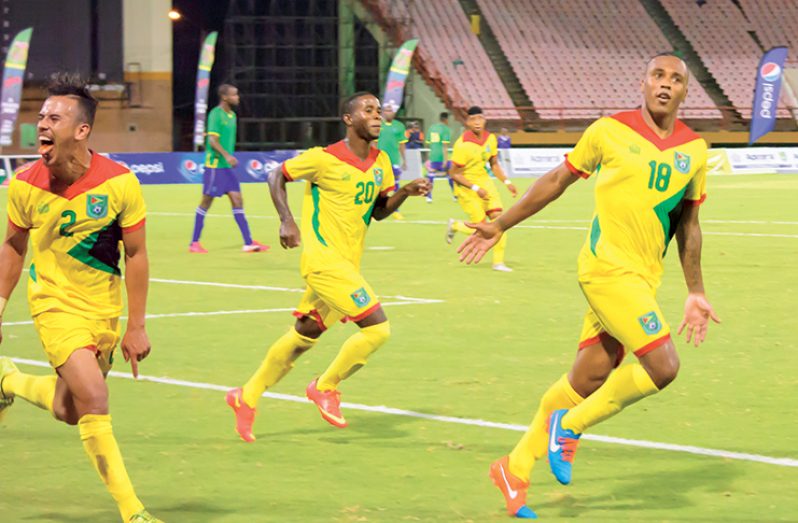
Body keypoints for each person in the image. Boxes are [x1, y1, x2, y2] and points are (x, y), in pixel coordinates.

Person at [458, 53, 720, 519]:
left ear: (685, 91)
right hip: (604, 270)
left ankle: (513, 468)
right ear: (643, 83)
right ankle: (571, 427)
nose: (665, 85)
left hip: (643, 279)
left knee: (587, 378)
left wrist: (695, 290)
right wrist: (501, 225)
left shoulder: (695, 150)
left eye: (676, 79)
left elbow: (689, 223)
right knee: (663, 365)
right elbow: (558, 179)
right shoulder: (607, 130)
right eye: (657, 75)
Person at [0, 74, 162, 523]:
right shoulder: (25, 185)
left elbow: (137, 253)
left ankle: (6, 382)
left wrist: (136, 324)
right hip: (53, 305)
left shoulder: (120, 182)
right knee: (95, 397)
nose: (42, 125)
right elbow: (13, 247)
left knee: (70, 409)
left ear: (82, 129)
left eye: (54, 117)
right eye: (40, 117)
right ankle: (134, 512)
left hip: (103, 311)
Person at [226, 92, 430, 442]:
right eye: (368, 111)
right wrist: (286, 221)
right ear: (349, 119)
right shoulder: (323, 159)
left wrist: (406, 192)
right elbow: (276, 175)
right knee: (378, 330)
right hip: (323, 262)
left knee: (304, 335)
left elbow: (379, 211)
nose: (377, 116)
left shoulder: (380, 162)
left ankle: (247, 395)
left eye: (379, 111)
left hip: (346, 265)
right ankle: (325, 387)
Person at [189, 83, 268, 253]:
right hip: (215, 166)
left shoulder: (232, 116)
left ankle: (248, 242)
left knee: (237, 200)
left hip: (226, 168)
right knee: (206, 202)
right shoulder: (215, 114)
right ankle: (194, 242)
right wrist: (226, 155)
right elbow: (212, 141)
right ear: (225, 97)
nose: (237, 97)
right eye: (234, 95)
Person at [446, 106, 517, 272]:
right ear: (467, 122)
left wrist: (507, 182)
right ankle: (455, 225)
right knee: (481, 226)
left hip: (485, 182)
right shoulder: (462, 145)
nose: (477, 122)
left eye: (480, 118)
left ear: (485, 120)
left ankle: (498, 262)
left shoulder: (491, 139)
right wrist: (476, 188)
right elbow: (454, 174)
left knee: (500, 222)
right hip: (467, 186)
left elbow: (494, 164)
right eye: (473, 119)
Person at [376, 103, 407, 219]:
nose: (389, 112)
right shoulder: (378, 125)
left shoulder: (399, 126)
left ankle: (395, 210)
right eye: (386, 110)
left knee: (395, 185)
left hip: (394, 160)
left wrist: (404, 160)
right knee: (377, 186)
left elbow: (402, 145)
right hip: (379, 161)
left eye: (391, 110)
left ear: (394, 112)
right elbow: (373, 142)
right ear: (383, 112)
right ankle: (374, 209)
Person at [424, 112, 455, 203]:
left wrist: (429, 158)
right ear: (446, 120)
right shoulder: (445, 129)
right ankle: (455, 195)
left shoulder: (432, 128)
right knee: (451, 175)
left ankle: (429, 197)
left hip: (433, 156)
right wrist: (445, 160)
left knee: (430, 177)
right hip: (442, 157)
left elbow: (428, 144)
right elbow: (444, 145)